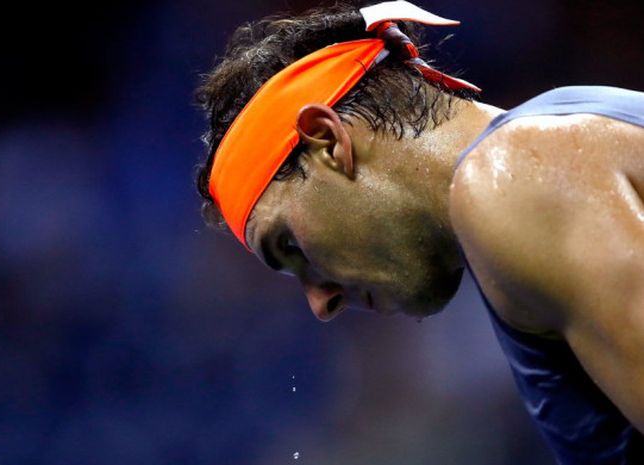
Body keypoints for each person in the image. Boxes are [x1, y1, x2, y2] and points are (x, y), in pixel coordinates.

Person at [194, 1, 644, 463]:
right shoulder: (542, 156)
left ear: (328, 142)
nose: (320, 304)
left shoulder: (511, 178)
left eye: (288, 245)